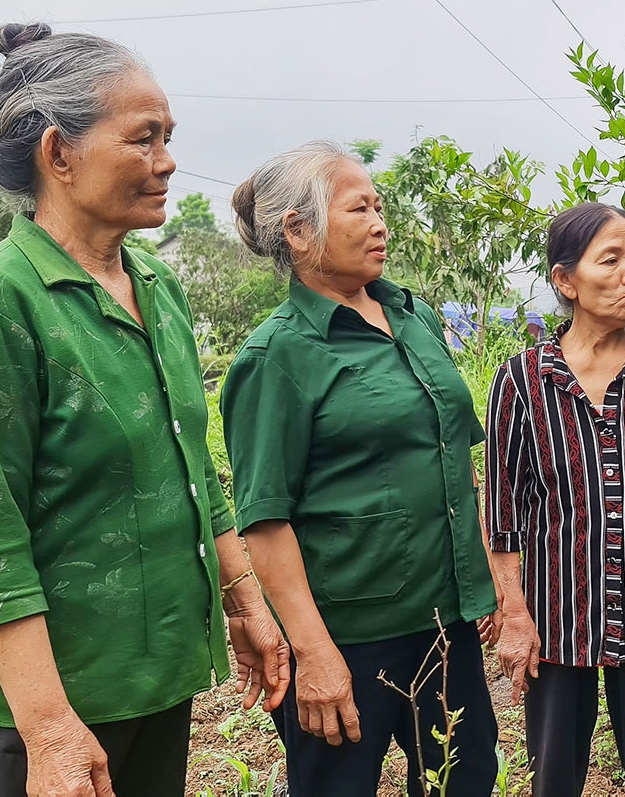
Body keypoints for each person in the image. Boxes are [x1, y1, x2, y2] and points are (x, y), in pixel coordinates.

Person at [0, 22, 289, 797]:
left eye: (169, 137)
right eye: (145, 138)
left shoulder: (157, 287)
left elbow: (194, 466)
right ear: (59, 154)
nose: (168, 161)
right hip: (46, 706)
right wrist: (48, 728)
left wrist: (244, 598)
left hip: (154, 679)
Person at [221, 141, 501, 796]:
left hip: (443, 625)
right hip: (349, 637)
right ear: (297, 229)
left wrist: (481, 580)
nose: (380, 223)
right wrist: (314, 652)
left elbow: (453, 457)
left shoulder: (415, 316)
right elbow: (264, 522)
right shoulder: (278, 354)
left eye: (380, 207)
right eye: (359, 209)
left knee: (465, 777)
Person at [486, 203, 625, 797]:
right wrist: (514, 615)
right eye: (609, 260)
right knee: (553, 775)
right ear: (566, 280)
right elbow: (503, 512)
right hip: (555, 619)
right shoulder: (521, 381)